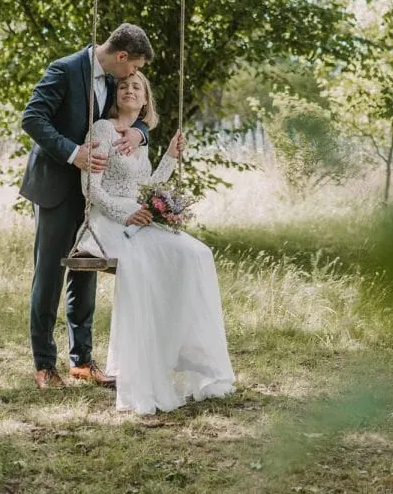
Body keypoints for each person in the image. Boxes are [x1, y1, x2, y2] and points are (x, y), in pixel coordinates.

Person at [75, 70, 235, 414]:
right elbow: (91, 189)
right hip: (106, 221)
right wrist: (126, 215)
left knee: (196, 253)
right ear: (115, 95)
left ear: (146, 100)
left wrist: (170, 158)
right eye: (123, 86)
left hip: (136, 214)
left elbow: (145, 187)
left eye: (137, 87)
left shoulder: (138, 140)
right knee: (144, 264)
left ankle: (185, 353)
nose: (129, 90)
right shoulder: (101, 130)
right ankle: (142, 370)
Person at [20, 23, 154, 391]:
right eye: (133, 67)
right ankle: (45, 366)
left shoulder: (113, 79)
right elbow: (32, 118)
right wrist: (73, 153)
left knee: (86, 273)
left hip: (94, 193)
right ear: (121, 56)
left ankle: (82, 362)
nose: (133, 76)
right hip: (57, 188)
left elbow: (136, 111)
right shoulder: (64, 69)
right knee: (49, 276)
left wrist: (140, 132)